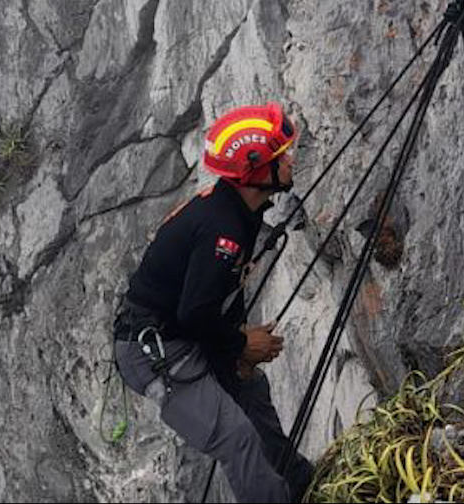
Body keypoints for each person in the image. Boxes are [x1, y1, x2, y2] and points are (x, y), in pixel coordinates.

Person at [111, 103, 313, 502]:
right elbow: (194, 311)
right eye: (280, 156)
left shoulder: (240, 210)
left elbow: (219, 292)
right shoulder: (223, 229)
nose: (291, 160)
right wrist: (240, 343)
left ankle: (301, 484)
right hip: (154, 351)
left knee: (250, 389)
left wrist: (237, 352)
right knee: (235, 437)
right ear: (257, 173)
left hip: (182, 331)